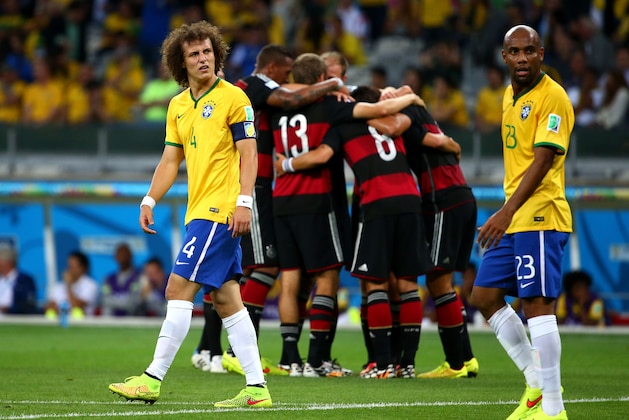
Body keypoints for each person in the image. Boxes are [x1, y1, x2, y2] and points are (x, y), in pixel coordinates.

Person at [108, 21, 272, 408]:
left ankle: (151, 379)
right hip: (199, 211)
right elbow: (170, 160)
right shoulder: (178, 105)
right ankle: (256, 388)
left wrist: (244, 201)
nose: (203, 59)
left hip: (220, 210)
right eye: (194, 54)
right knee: (228, 298)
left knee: (177, 289)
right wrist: (149, 199)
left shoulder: (235, 98)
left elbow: (250, 153)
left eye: (207, 52)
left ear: (217, 55)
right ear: (180, 63)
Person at [270, 54, 424, 378]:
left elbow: (324, 153)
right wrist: (412, 97)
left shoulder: (289, 108)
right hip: (408, 198)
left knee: (301, 279)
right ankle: (403, 364)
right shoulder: (365, 114)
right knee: (406, 283)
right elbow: (388, 116)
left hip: (296, 198)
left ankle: (368, 363)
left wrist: (283, 165)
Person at [216, 44, 352, 377]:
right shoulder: (257, 85)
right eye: (285, 71)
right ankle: (236, 350)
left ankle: (286, 356)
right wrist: (334, 85)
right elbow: (292, 98)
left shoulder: (254, 94)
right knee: (265, 268)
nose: (287, 79)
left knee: (272, 270)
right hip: (257, 185)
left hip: (271, 191)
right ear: (273, 68)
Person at [470, 25, 573, 420]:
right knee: (484, 296)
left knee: (537, 305)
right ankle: (535, 383)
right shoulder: (509, 97)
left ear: (541, 53)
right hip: (516, 216)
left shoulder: (554, 98)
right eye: (515, 52)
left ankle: (553, 408)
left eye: (530, 51)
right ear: (504, 56)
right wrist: (508, 213)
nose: (523, 58)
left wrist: (505, 210)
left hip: (541, 214)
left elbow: (544, 160)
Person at [368, 87, 479, 379]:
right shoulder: (426, 120)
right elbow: (446, 143)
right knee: (443, 281)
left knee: (439, 281)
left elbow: (393, 127)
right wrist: (450, 144)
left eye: (390, 94)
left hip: (442, 200)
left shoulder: (409, 115)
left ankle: (456, 364)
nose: (388, 97)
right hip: (462, 198)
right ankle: (466, 359)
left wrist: (358, 115)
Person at [45, 250, 98, 319]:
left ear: (83, 268)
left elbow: (77, 306)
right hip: (61, 321)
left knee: (77, 312)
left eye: (73, 266)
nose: (70, 269)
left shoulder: (91, 285)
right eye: (69, 265)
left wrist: (68, 286)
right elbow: (50, 306)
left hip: (83, 322)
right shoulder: (58, 286)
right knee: (50, 313)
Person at [100, 243, 143, 317]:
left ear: (130, 256)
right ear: (115, 257)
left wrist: (114, 301)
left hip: (133, 319)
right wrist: (122, 302)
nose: (122, 257)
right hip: (112, 320)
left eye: (125, 254)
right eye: (119, 254)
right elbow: (104, 299)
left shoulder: (139, 277)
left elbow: (133, 303)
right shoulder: (108, 279)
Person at [0, 244, 38, 315]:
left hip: (14, 318)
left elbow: (28, 303)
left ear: (7, 263)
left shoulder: (25, 280)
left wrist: (7, 309)